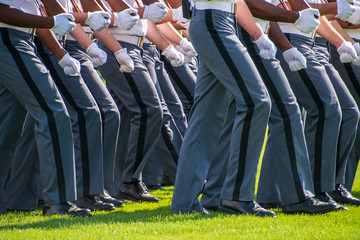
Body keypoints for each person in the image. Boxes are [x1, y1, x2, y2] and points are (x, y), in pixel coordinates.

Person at [171, 0, 276, 217]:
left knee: (205, 117)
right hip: (212, 21)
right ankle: (237, 197)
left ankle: (185, 203)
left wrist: (258, 34)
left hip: (222, 21)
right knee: (256, 102)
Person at [0, 0, 90, 216]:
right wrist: (50, 21)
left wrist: (60, 53)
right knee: (54, 113)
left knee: (7, 129)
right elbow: (3, 11)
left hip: (22, 38)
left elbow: (60, 16)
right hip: (8, 38)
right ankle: (59, 202)